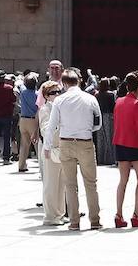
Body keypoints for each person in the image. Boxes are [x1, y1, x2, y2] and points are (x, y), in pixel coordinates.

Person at [44, 68, 103, 230]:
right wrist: (86, 129)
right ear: (79, 81)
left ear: (63, 83)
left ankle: (74, 221)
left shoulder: (59, 100)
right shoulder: (90, 99)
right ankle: (95, 220)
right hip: (85, 143)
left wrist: (47, 146)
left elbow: (52, 126)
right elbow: (98, 123)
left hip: (66, 143)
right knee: (91, 183)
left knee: (70, 184)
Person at [112, 71, 138, 228]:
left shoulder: (119, 101)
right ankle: (137, 214)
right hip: (135, 144)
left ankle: (119, 214)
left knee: (123, 181)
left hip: (120, 143)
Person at [37, 80, 66, 225]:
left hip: (61, 148)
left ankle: (59, 214)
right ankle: (50, 216)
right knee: (51, 184)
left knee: (62, 184)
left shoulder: (60, 108)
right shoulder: (45, 109)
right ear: (47, 96)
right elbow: (45, 129)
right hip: (51, 149)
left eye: (59, 92)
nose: (57, 95)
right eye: (53, 93)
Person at [17, 72, 41, 171]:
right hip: (32, 120)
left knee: (24, 144)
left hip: (23, 119)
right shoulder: (37, 94)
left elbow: (20, 84)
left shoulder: (23, 92)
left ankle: (21, 166)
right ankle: (42, 166)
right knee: (37, 145)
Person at [95, 77, 117, 166]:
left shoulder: (97, 95)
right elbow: (113, 106)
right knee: (109, 137)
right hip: (109, 116)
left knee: (100, 138)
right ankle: (110, 159)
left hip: (100, 116)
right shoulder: (111, 94)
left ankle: (100, 159)